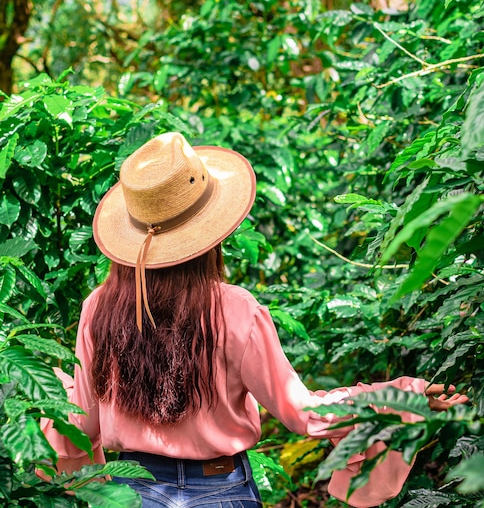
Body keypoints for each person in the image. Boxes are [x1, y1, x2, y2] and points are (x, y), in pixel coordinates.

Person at [41, 132, 468, 508]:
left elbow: (81, 422)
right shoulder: (234, 309)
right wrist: (401, 396)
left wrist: (38, 389)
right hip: (221, 490)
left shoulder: (99, 308)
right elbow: (305, 413)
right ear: (210, 236)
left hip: (132, 491)